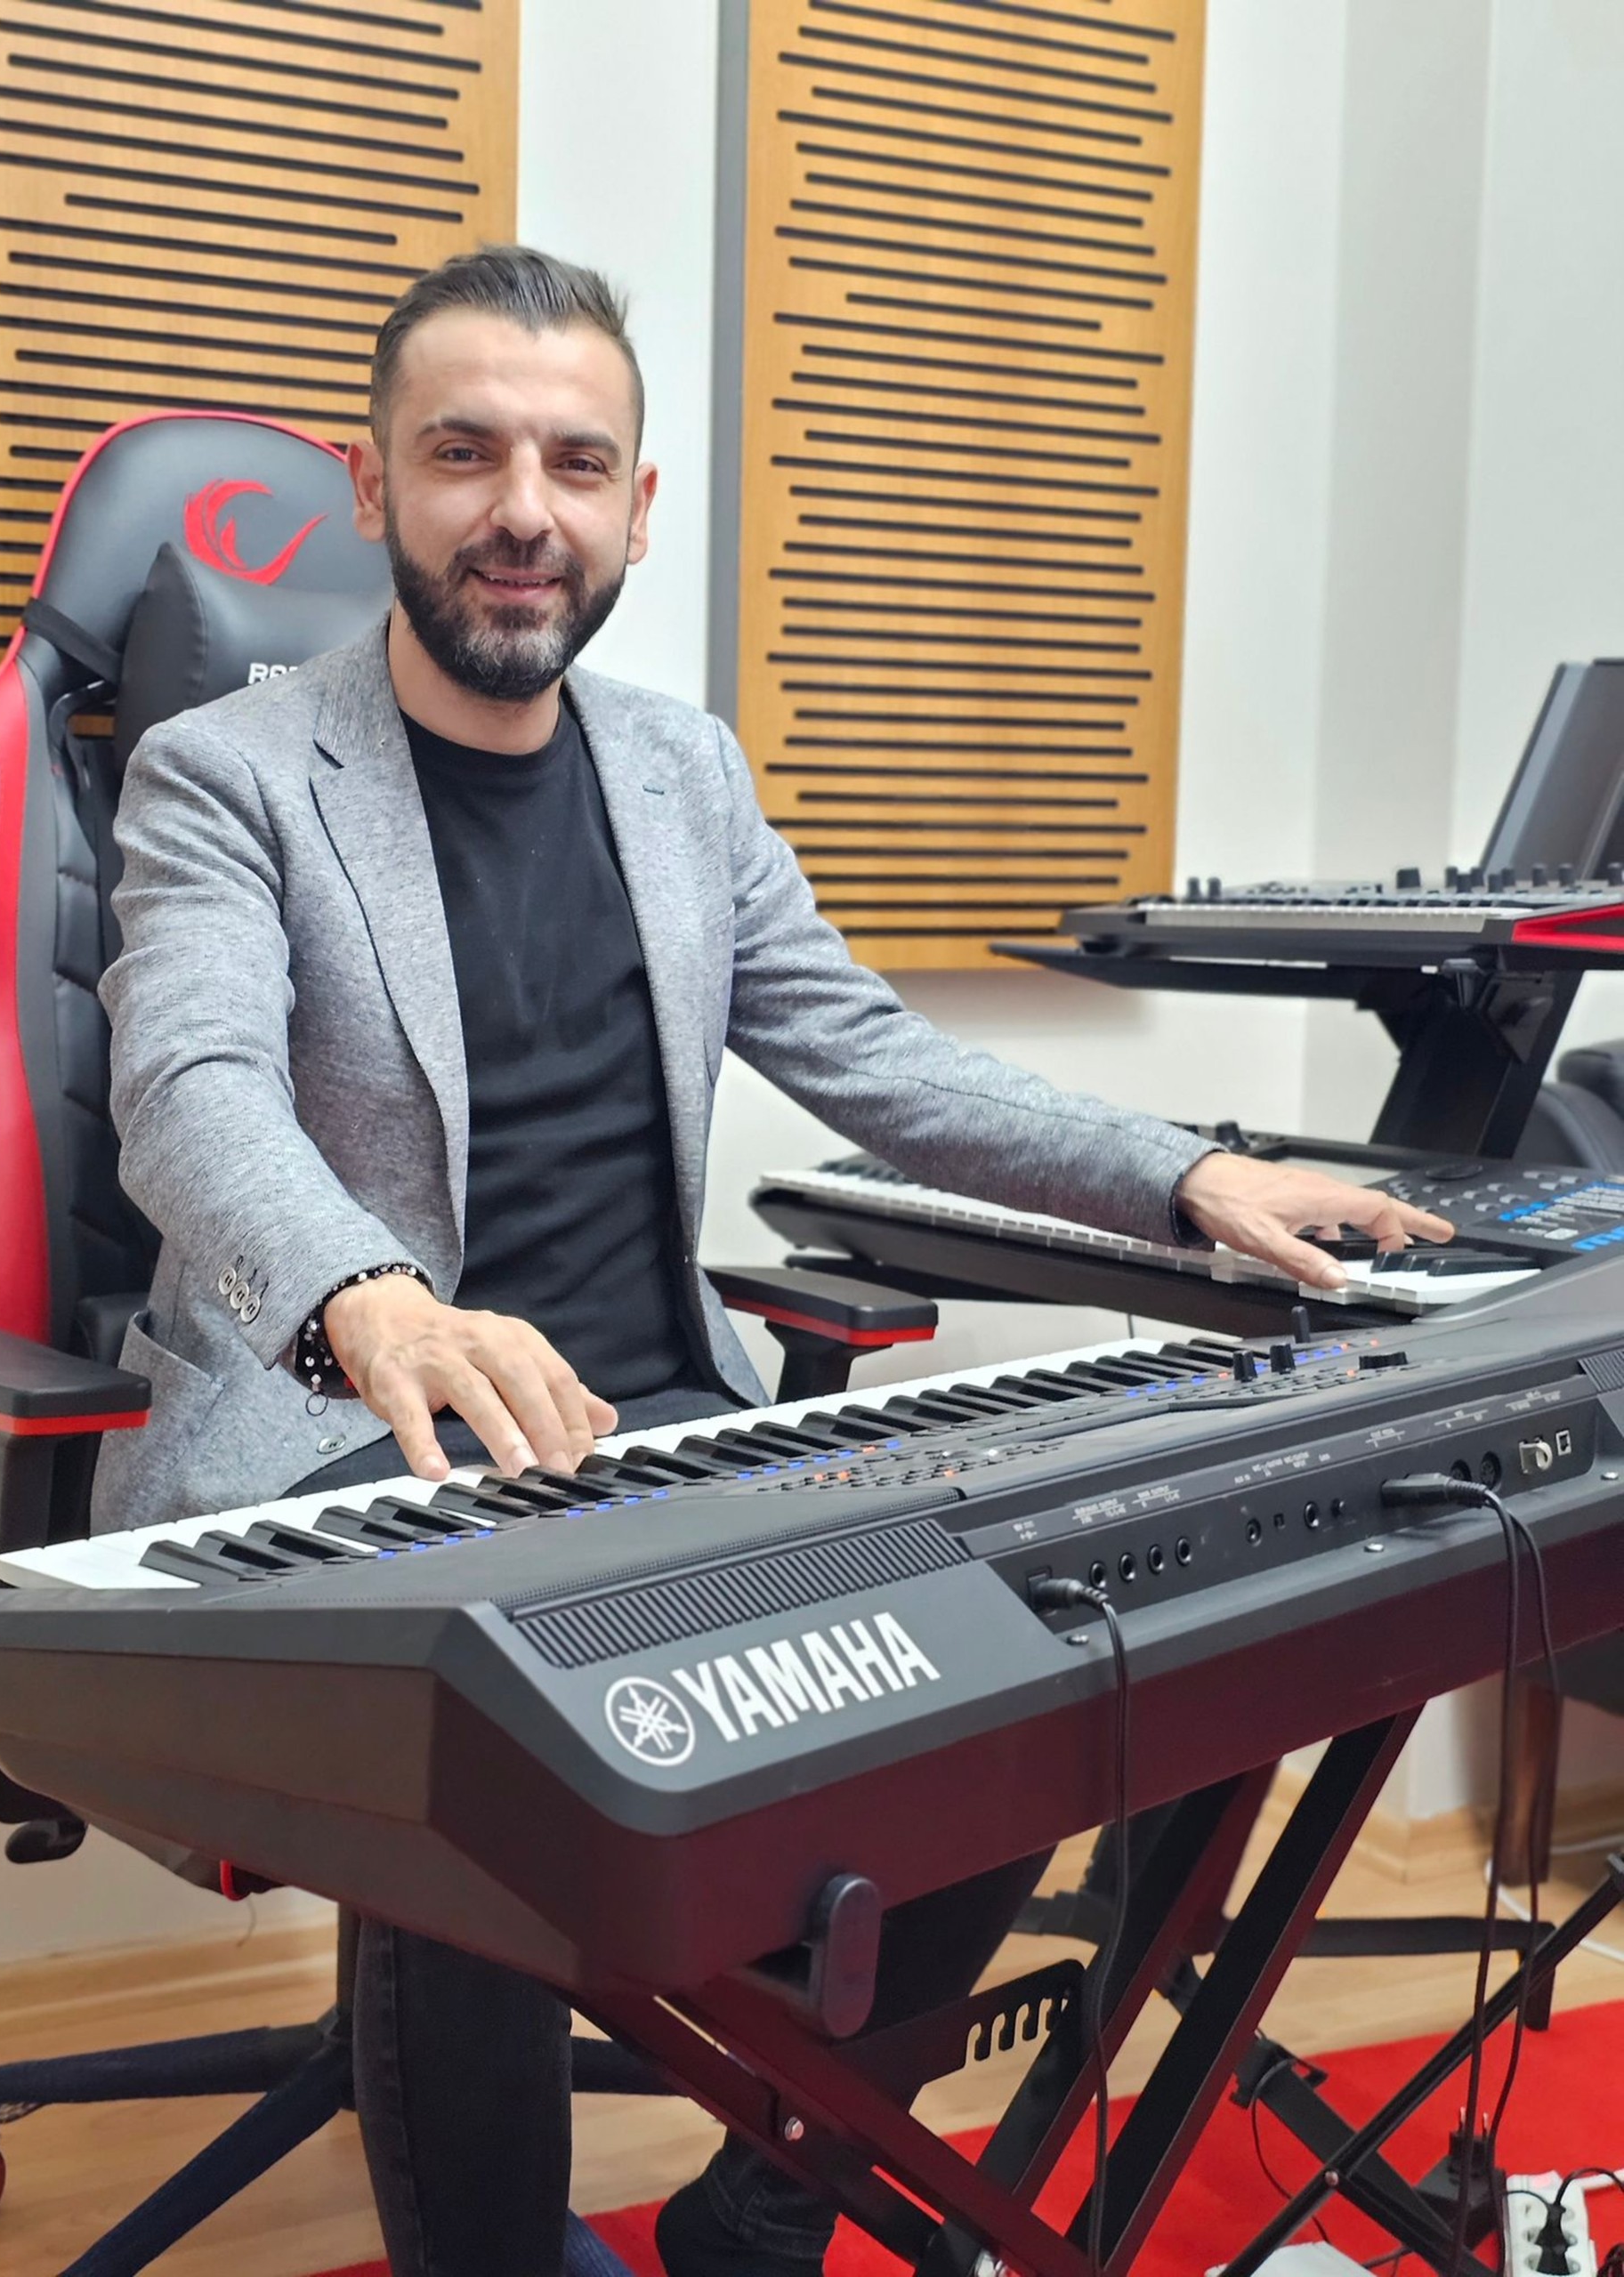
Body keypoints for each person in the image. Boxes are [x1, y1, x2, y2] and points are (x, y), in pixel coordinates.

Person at [96, 246, 1450, 2277]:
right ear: (374, 488)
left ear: (639, 507)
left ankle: (762, 2211)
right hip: (358, 1435)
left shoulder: (684, 773)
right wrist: (371, 1298)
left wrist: (1181, 1172)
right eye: (464, 454)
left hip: (663, 1424)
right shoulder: (228, 771)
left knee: (1021, 1648)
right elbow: (188, 1088)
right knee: (479, 1709)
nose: (522, 510)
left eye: (575, 462)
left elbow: (881, 1062)